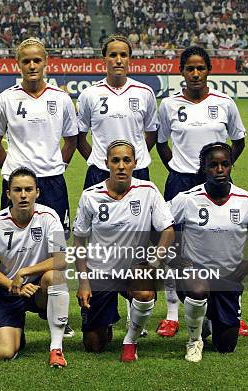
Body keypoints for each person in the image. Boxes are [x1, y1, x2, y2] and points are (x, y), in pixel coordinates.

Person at [156, 46, 247, 338]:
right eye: (189, 68)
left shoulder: (225, 103)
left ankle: (234, 311)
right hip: (180, 182)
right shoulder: (169, 105)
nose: (195, 74)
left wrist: (222, 169)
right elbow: (161, 142)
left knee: (224, 244)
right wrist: (177, 168)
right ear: (181, 71)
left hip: (216, 185)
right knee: (174, 248)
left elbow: (239, 140)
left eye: (201, 68)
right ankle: (172, 314)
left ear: (208, 70)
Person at [169, 142, 248, 362]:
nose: (219, 170)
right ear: (203, 168)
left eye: (225, 164)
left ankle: (209, 319)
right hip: (194, 275)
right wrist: (174, 257)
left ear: (230, 167)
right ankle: (194, 340)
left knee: (226, 346)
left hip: (229, 277)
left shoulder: (246, 200)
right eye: (213, 165)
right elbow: (159, 222)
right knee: (198, 289)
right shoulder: (187, 199)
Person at [73, 140, 175, 362]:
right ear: (106, 163)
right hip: (101, 272)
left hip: (134, 270)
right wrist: (83, 282)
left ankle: (130, 341)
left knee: (145, 293)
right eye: (115, 160)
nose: (121, 166)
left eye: (126, 160)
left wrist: (154, 263)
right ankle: (104, 320)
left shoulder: (148, 191)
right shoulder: (91, 196)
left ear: (135, 163)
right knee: (94, 345)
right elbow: (79, 241)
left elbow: (167, 230)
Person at [0, 38, 78, 236]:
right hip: (16, 183)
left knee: (56, 244)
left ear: (46, 61)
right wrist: (11, 167)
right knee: (11, 241)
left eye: (37, 60)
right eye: (26, 61)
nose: (32, 66)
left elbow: (72, 140)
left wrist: (57, 165)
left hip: (52, 180)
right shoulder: (6, 98)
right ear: (17, 64)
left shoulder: (61, 98)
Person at [0, 167, 70, 367]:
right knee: (4, 353)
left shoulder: (49, 216)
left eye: (28, 190)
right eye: (17, 190)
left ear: (37, 192)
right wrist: (15, 285)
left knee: (55, 277)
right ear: (8, 194)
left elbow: (61, 259)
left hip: (39, 290)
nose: (23, 195)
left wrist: (25, 272)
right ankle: (16, 333)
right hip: (9, 290)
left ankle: (56, 348)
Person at [77, 34, 159, 190]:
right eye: (113, 55)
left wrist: (132, 160)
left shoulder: (145, 92)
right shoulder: (89, 94)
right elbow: (80, 139)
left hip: (137, 170)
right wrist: (99, 160)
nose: (119, 60)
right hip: (100, 172)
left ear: (129, 59)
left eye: (123, 55)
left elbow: (152, 134)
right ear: (104, 59)